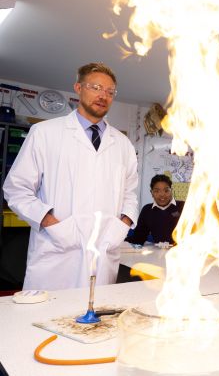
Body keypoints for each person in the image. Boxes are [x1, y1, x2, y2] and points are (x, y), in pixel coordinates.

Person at [3, 62, 138, 290]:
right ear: (78, 88)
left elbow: (130, 194)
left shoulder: (123, 144)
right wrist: (53, 225)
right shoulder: (45, 133)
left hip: (104, 250)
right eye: (96, 87)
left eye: (109, 91)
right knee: (45, 319)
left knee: (96, 320)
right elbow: (16, 189)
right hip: (57, 251)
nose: (103, 95)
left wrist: (121, 226)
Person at [126, 174, 184, 245]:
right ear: (152, 193)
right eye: (157, 191)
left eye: (166, 190)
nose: (162, 194)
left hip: (182, 251)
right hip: (158, 253)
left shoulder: (182, 206)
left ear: (171, 191)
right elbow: (139, 238)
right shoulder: (147, 210)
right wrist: (120, 239)